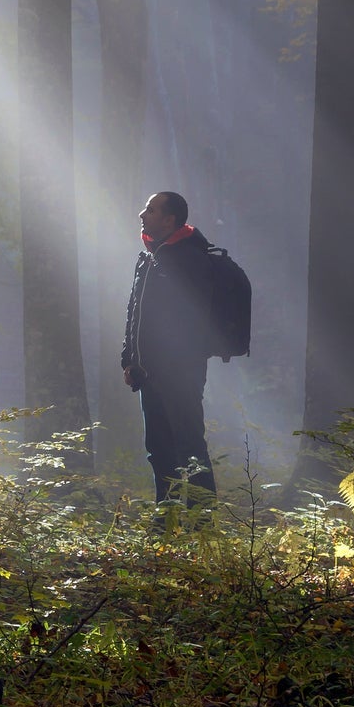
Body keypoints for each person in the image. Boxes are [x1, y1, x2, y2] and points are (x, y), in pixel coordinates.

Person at [120, 190, 225, 501]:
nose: (142, 214)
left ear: (169, 219)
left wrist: (171, 363)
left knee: (189, 444)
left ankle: (202, 521)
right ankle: (166, 517)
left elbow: (188, 320)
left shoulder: (189, 260)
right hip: (149, 371)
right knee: (159, 448)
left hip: (180, 372)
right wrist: (129, 359)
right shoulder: (152, 258)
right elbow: (136, 313)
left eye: (150, 210)